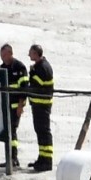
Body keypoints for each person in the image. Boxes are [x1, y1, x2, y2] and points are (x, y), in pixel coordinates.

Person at [0, 44, 29, 168]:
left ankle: (13, 158)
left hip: (16, 106)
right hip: (5, 106)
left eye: (4, 55)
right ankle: (10, 157)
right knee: (8, 132)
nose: (3, 58)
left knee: (12, 131)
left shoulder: (19, 67)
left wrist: (21, 106)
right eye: (1, 56)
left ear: (11, 53)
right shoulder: (2, 68)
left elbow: (24, 88)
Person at [27, 44, 54, 172]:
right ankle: (42, 158)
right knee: (40, 133)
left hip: (42, 106)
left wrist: (31, 72)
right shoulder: (40, 66)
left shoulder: (42, 67)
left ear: (36, 54)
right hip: (38, 105)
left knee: (44, 133)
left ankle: (47, 161)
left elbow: (37, 84)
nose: (29, 55)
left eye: (31, 53)